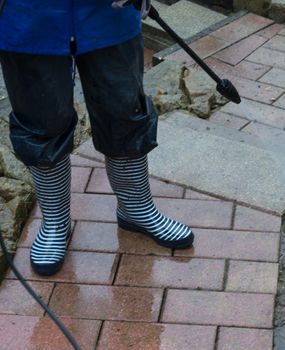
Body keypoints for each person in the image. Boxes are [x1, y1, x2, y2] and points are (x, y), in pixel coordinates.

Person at [0, 0, 194, 277]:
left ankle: (136, 209)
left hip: (110, 13)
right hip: (27, 17)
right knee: (40, 120)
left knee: (124, 112)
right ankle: (55, 222)